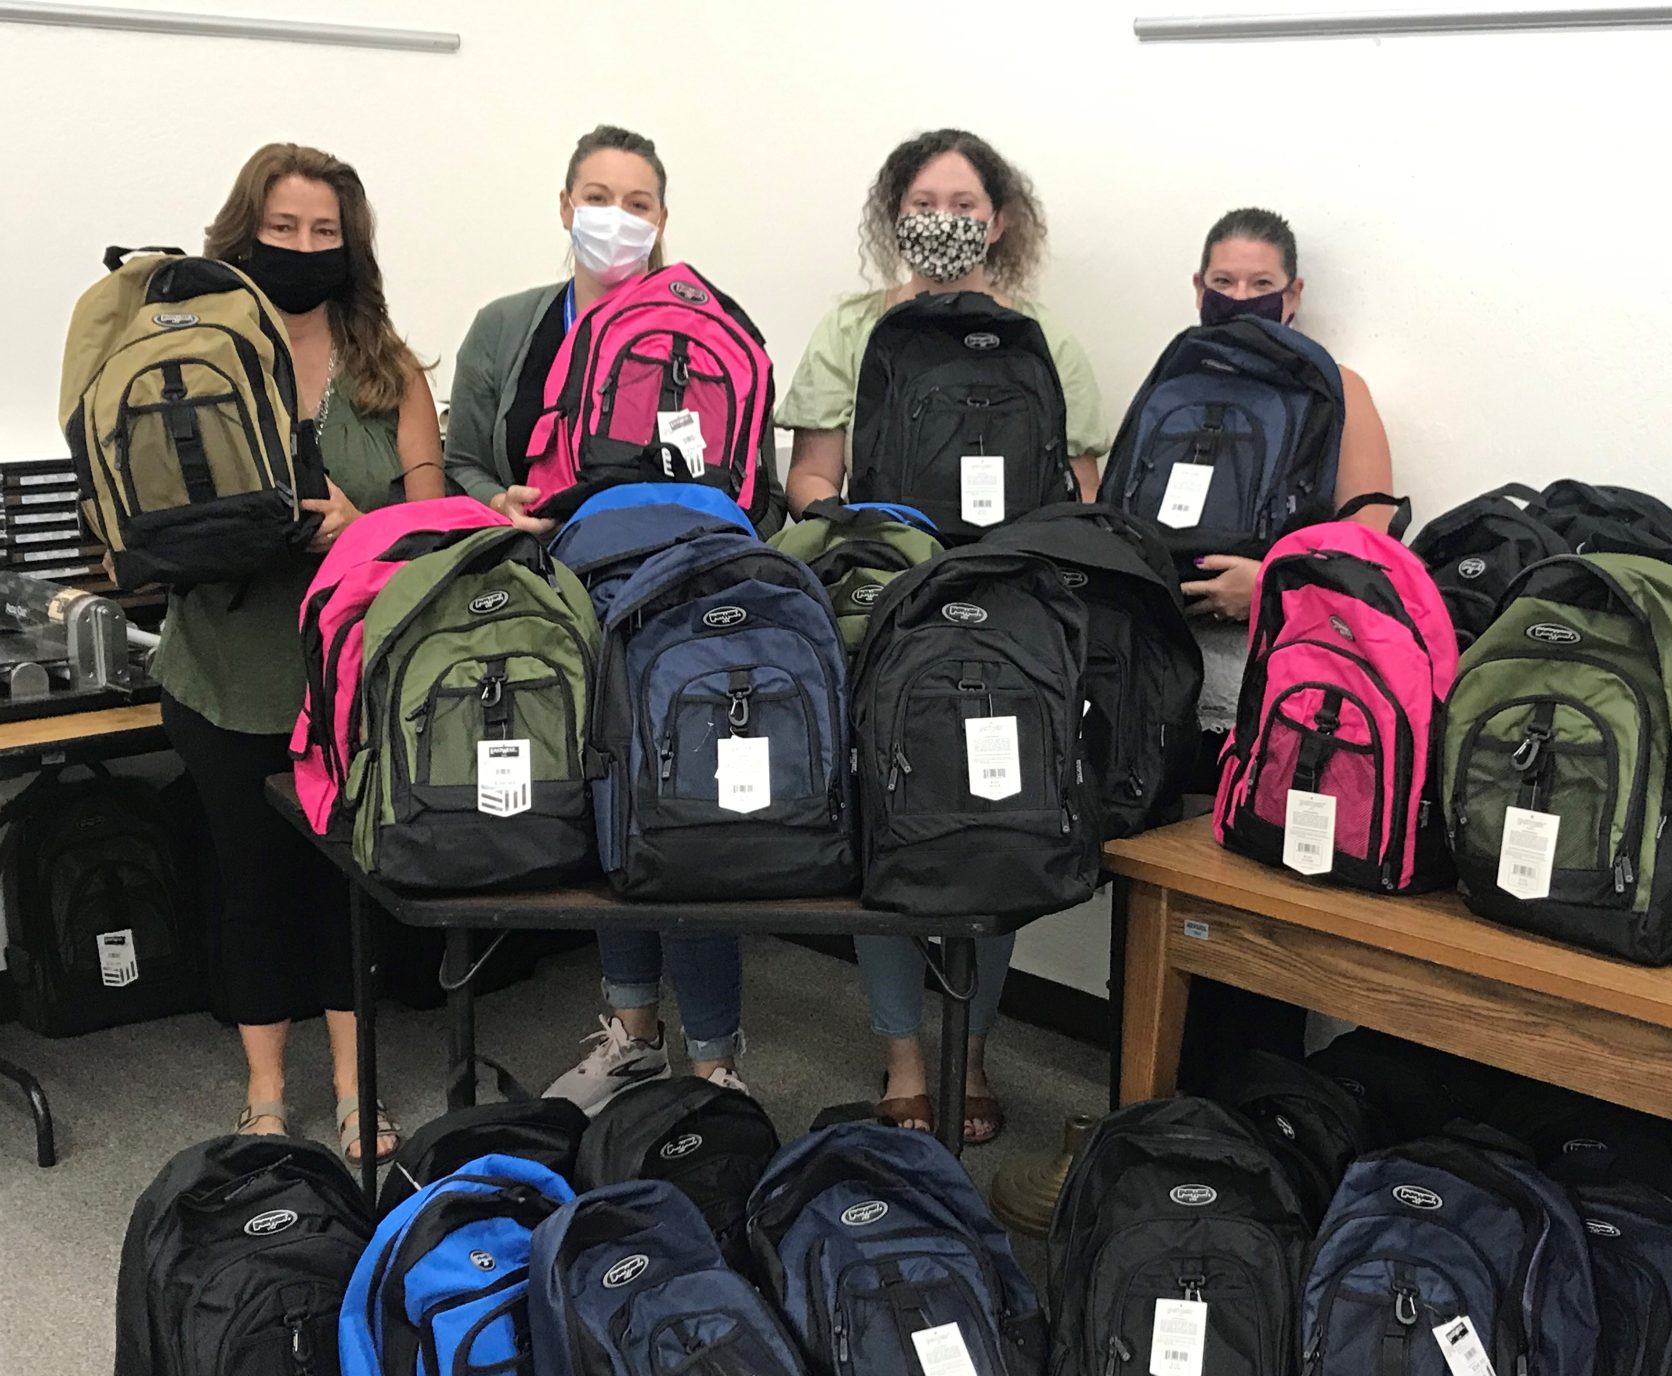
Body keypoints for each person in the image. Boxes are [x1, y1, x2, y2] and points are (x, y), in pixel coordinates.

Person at [777, 128, 1108, 1142]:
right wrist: (864, 537)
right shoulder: (850, 331)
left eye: (965, 205)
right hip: (882, 600)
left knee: (995, 829)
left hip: (1008, 617)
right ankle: (905, 1060)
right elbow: (809, 477)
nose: (944, 221)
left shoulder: (1044, 341)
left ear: (999, 223)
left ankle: (973, 1053)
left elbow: (1081, 495)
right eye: (925, 202)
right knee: (887, 830)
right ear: (895, 214)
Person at [445, 125, 748, 1110]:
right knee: (600, 811)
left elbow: (746, 475)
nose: (616, 217)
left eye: (638, 202)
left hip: (679, 601)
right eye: (598, 196)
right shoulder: (508, 327)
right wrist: (498, 505)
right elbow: (462, 459)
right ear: (565, 205)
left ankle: (714, 1058)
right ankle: (631, 1032)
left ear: (663, 218)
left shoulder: (705, 331)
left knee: (687, 814)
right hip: (553, 600)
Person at [155, 142, 444, 1160]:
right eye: (283, 227)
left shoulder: (388, 369)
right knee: (252, 884)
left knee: (343, 892)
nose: (304, 246)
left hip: (346, 684)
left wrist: (361, 524)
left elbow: (429, 527)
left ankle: (359, 1091)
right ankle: (267, 1094)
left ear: (351, 246)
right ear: (244, 234)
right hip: (222, 673)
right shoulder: (188, 359)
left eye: (325, 231)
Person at [1176, 207, 1398, 1082]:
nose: (1240, 298)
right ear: (1198, 288)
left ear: (1293, 294)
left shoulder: (1338, 388)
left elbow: (1369, 547)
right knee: (1162, 909)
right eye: (1223, 283)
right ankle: (1144, 1107)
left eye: (1260, 285)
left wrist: (1265, 583)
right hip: (1173, 679)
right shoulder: (1177, 382)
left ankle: (1253, 1108)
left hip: (1281, 692)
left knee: (1258, 907)